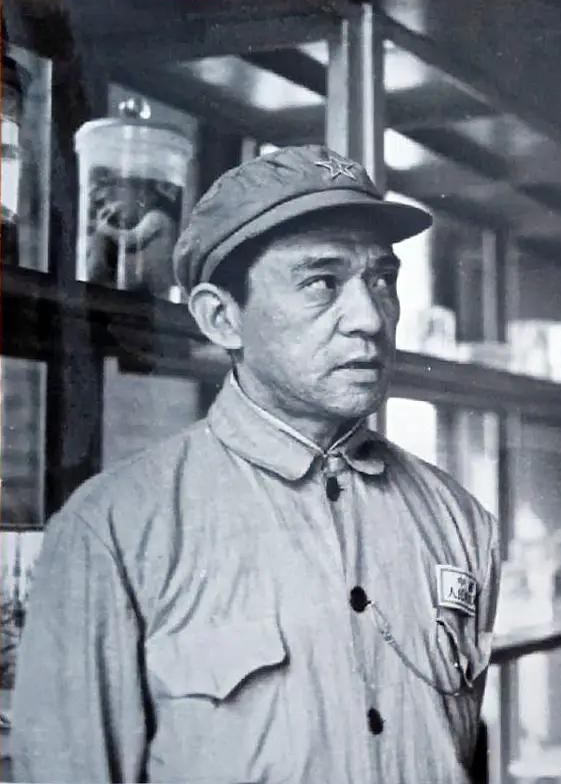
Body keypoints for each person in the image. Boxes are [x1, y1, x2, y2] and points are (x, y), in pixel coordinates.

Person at [11, 145, 501, 783]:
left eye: (382, 279)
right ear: (222, 317)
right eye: (322, 282)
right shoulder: (112, 533)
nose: (369, 318)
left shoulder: (459, 521)